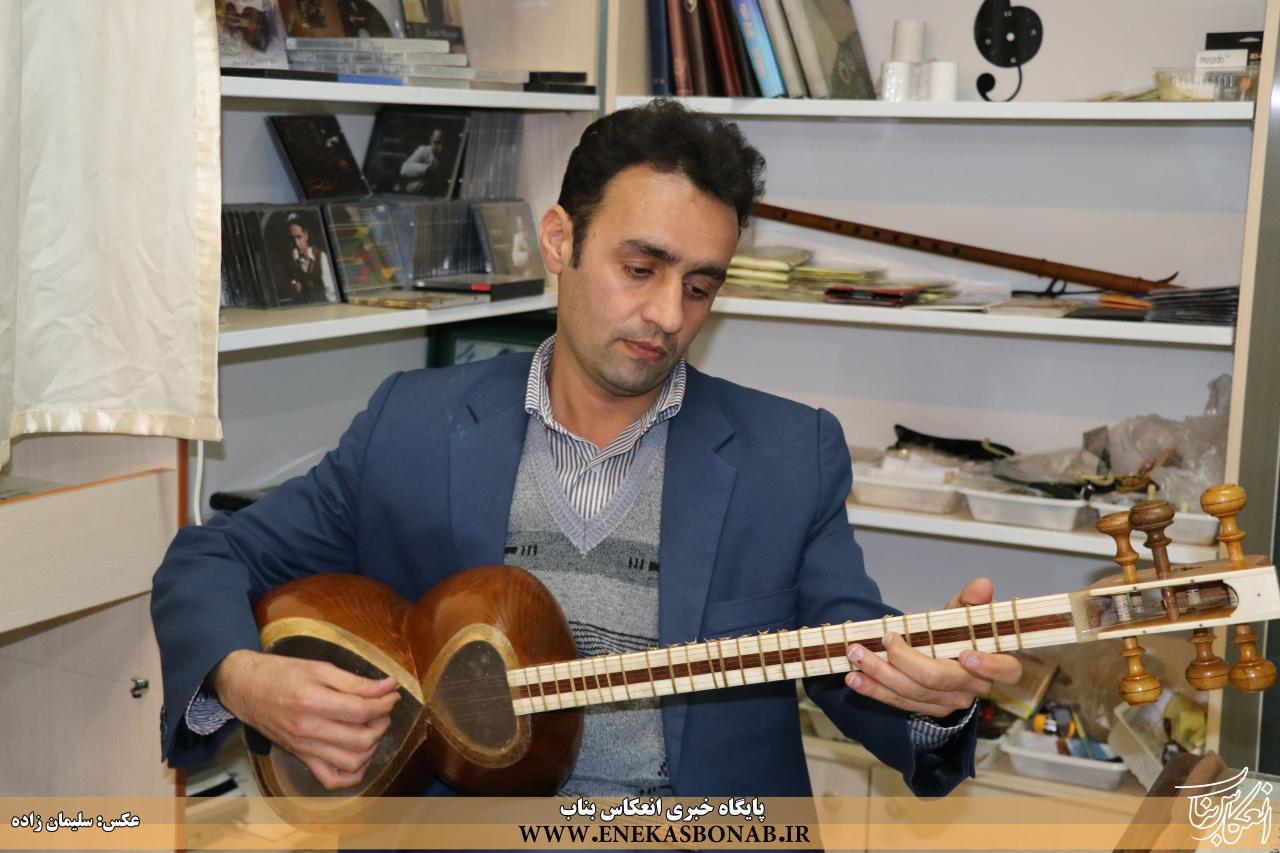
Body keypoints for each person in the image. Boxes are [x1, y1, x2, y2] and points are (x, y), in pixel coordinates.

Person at [152, 100, 1020, 797]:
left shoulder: (789, 454)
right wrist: (242, 679)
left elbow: (856, 667)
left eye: (700, 286)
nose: (669, 315)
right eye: (640, 269)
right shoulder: (412, 425)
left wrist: (933, 700)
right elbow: (208, 557)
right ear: (560, 240)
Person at [283, 213, 338, 304]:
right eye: (292, 239)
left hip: (324, 303)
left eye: (299, 237)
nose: (296, 243)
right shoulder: (294, 258)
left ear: (306, 235)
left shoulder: (320, 256)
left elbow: (330, 289)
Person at [399, 128, 448, 195]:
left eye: (442, 143)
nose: (440, 148)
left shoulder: (446, 157)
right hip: (414, 194)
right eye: (436, 143)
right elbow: (404, 169)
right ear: (431, 139)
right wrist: (427, 170)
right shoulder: (423, 150)